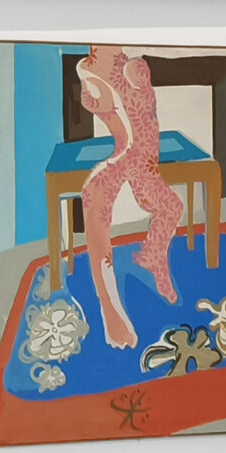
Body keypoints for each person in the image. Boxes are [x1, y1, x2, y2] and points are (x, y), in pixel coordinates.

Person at [73, 46, 182, 349]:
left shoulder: (132, 66)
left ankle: (153, 257)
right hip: (126, 157)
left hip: (145, 161)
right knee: (95, 203)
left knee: (171, 207)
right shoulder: (90, 74)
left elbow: (144, 123)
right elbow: (123, 129)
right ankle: (111, 312)